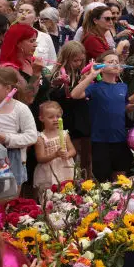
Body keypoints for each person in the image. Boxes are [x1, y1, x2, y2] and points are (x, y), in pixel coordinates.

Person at [70, 52, 134, 181]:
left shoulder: (123, 87)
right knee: (101, 179)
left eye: (117, 61)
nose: (115, 64)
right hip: (100, 141)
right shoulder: (94, 87)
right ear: (101, 66)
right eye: (110, 61)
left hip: (120, 139)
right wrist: (92, 75)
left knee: (120, 179)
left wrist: (133, 107)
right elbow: (74, 94)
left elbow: (122, 107)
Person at [48, 41, 92, 177]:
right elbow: (55, 95)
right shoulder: (58, 74)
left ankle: (88, 180)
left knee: (86, 155)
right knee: (71, 152)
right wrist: (59, 83)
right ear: (66, 58)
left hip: (82, 116)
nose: (78, 63)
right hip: (67, 117)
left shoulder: (83, 72)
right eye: (75, 60)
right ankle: (71, 180)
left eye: (81, 60)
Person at [31, 100, 76, 197]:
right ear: (41, 118)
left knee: (67, 193)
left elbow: (72, 150)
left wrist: (68, 154)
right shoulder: (41, 138)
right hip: (49, 171)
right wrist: (55, 155)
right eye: (51, 117)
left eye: (58, 116)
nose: (55, 119)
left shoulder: (64, 134)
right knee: (50, 195)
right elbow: (40, 158)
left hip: (65, 168)